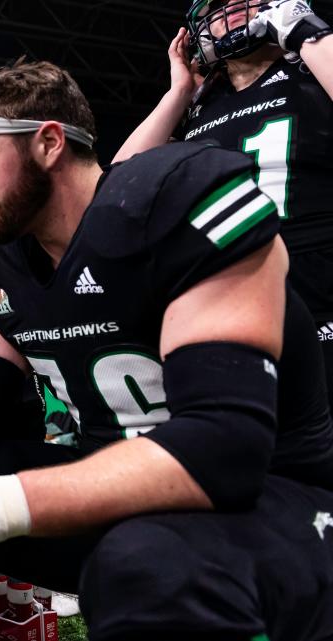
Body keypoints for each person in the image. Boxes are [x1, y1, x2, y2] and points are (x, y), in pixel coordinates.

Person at [0, 60, 333, 640]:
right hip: (116, 486)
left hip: (262, 493)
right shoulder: (5, 258)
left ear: (48, 142)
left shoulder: (175, 201)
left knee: (141, 563)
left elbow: (223, 448)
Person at [113, 0, 333, 404]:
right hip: (228, 289)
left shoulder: (312, 65)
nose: (229, 8)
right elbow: (119, 186)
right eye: (218, 6)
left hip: (317, 275)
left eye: (240, 0)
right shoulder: (203, 104)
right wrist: (178, 93)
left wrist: (306, 33)